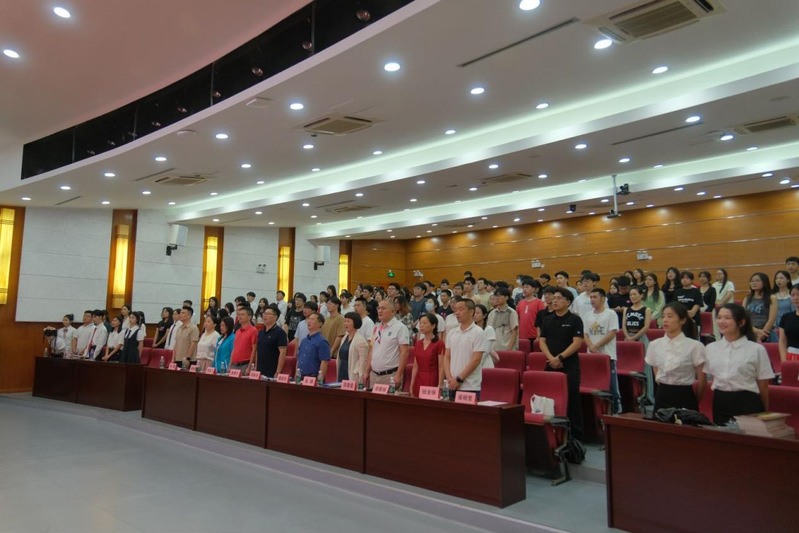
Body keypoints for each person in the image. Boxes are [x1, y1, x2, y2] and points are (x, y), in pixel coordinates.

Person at [704, 303, 774, 425]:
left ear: (741, 322)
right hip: (720, 401)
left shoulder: (756, 349)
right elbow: (714, 377)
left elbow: (763, 386)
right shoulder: (711, 348)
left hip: (747, 402)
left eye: (727, 318)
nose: (721, 321)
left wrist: (764, 412)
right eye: (719, 317)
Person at [539, 287, 584, 440]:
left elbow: (577, 343)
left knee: (572, 400)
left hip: (569, 365)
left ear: (568, 302)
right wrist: (551, 358)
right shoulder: (547, 320)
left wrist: (560, 358)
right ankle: (552, 434)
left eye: (559, 298)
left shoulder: (575, 320)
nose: (555, 301)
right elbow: (542, 341)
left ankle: (575, 437)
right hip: (550, 363)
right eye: (554, 298)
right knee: (549, 398)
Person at [645, 303, 706, 412]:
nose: (665, 320)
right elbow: (656, 371)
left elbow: (702, 381)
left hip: (685, 395)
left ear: (682, 320)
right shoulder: (654, 344)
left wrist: (693, 400)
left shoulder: (695, 346)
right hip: (662, 394)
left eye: (670, 316)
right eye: (663, 316)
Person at [583, 288, 621, 413]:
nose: (592, 300)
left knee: (611, 385)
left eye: (595, 297)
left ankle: (615, 410)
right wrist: (591, 346)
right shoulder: (587, 315)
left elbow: (612, 332)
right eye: (591, 297)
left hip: (607, 355)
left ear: (603, 298)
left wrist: (596, 346)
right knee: (593, 385)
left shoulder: (610, 314)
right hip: (591, 356)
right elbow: (585, 334)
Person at [444, 299, 486, 400]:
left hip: (469, 387)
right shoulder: (452, 332)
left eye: (461, 309)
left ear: (471, 312)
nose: (457, 313)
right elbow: (447, 356)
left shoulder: (478, 332)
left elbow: (476, 360)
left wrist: (459, 379)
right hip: (451, 385)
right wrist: (449, 378)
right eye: (456, 310)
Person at [366, 299, 410, 390]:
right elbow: (372, 351)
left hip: (390, 375)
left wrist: (398, 374)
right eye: (378, 308)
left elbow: (404, 352)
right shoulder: (376, 327)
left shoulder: (400, 327)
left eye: (383, 308)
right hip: (374, 375)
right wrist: (367, 371)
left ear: (393, 311)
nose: (380, 311)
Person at [411, 313, 445, 397]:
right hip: (419, 378)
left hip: (432, 378)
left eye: (424, 323)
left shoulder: (439, 343)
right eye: (420, 323)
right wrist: (411, 385)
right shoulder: (418, 343)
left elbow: (441, 366)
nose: (421, 325)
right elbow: (415, 366)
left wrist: (440, 385)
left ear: (433, 326)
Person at [742, 272, 777, 343]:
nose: (754, 283)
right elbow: (743, 317)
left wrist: (763, 333)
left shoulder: (772, 298)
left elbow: (771, 319)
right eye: (752, 281)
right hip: (750, 331)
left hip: (767, 332)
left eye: (757, 281)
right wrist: (756, 331)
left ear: (764, 282)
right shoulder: (746, 299)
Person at [296, 312, 330, 381]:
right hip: (300, 377)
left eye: (312, 319)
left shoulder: (322, 341)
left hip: (313, 378)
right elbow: (299, 359)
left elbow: (324, 362)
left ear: (320, 323)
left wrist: (320, 380)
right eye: (309, 319)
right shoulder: (304, 341)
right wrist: (296, 375)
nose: (309, 321)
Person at [256, 304, 288, 378]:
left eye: (268, 314)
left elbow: (283, 353)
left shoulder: (280, 333)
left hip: (272, 371)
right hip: (260, 371)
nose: (265, 316)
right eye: (264, 314)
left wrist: (278, 372)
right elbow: (258, 351)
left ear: (275, 317)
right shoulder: (261, 332)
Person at [487, 286, 518, 351]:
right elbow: (488, 331)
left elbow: (514, 332)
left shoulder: (511, 312)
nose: (497, 298)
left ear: (506, 297)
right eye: (496, 296)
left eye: (500, 296)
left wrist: (509, 348)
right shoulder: (492, 313)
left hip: (506, 348)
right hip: (493, 348)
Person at [340, 312, 368, 383]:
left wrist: (361, 376)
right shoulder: (344, 338)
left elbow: (363, 361)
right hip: (342, 369)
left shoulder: (360, 340)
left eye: (348, 321)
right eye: (345, 321)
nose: (345, 323)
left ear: (355, 323)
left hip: (353, 372)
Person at [516, 278, 545, 346]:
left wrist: (539, 335)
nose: (524, 289)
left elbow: (542, 320)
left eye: (527, 287)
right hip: (522, 336)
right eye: (523, 287)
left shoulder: (539, 302)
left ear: (533, 289)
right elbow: (517, 319)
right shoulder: (520, 303)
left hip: (534, 336)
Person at [230, 306, 258, 373]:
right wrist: (230, 365)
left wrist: (249, 367)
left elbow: (254, 350)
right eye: (239, 315)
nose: (239, 317)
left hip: (245, 365)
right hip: (234, 365)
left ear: (249, 317)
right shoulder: (237, 331)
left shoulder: (253, 330)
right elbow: (234, 349)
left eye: (242, 315)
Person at [675, 272, 702, 337]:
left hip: (694, 320)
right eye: (682, 278)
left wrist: (691, 312)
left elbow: (697, 305)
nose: (684, 280)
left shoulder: (696, 291)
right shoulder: (677, 292)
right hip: (680, 320)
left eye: (687, 278)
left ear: (692, 280)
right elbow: (675, 306)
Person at [773, 270, 794, 343]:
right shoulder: (772, 295)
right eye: (777, 278)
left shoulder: (792, 294)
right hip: (775, 327)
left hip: (789, 326)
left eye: (781, 278)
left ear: (788, 280)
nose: (778, 280)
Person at [474, 304, 498, 368]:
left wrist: (477, 363)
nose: (475, 315)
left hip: (484, 363)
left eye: (478, 313)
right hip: (473, 362)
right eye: (474, 313)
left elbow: (487, 350)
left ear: (484, 315)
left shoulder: (489, 329)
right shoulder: (472, 329)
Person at [779, 284, 799, 361]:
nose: (795, 298)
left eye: (798, 295)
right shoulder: (786, 317)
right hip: (791, 356)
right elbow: (782, 341)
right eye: (792, 295)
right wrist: (784, 361)